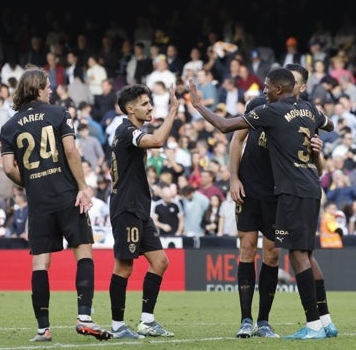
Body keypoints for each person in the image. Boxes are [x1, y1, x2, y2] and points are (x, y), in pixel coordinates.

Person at [187, 67, 337, 339]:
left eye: (267, 86)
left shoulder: (275, 110)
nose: (262, 90)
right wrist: (234, 178)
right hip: (275, 188)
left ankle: (294, 322)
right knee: (264, 249)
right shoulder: (306, 110)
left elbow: (224, 125)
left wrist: (198, 105)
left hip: (284, 191)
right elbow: (330, 125)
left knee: (286, 254)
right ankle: (254, 320)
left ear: (285, 88)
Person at [0, 67, 111, 342]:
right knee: (83, 251)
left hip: (38, 202)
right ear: (38, 88)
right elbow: (71, 150)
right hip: (67, 195)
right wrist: (83, 186)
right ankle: (84, 316)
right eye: (47, 86)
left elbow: (7, 169)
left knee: (40, 261)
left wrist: (31, 183)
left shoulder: (9, 127)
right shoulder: (59, 113)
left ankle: (43, 328)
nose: (50, 90)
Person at [228, 63, 333, 339]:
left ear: (300, 87)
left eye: (298, 82)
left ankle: (264, 320)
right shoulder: (258, 103)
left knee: (273, 252)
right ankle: (246, 319)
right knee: (247, 246)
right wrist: (233, 178)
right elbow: (236, 139)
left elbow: (316, 165)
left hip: (280, 191)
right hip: (250, 187)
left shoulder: (304, 114)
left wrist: (318, 152)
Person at [108, 83, 179, 339]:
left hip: (138, 206)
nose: (150, 107)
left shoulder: (129, 132)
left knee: (160, 262)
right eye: (144, 103)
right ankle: (117, 326)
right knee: (124, 267)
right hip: (126, 206)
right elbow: (158, 141)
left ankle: (147, 321)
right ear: (130, 108)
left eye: (150, 102)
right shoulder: (128, 131)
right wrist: (173, 111)